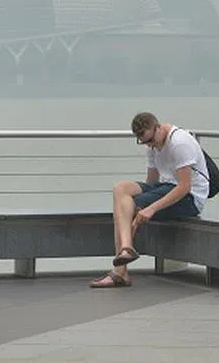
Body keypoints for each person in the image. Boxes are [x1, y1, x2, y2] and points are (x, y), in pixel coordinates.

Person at [88, 111, 210, 288]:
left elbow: (184, 187)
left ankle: (120, 271)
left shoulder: (179, 143)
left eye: (151, 140)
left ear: (158, 127)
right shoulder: (151, 146)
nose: (150, 145)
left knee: (129, 207)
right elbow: (152, 181)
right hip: (166, 187)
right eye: (144, 142)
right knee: (121, 190)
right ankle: (126, 249)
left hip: (190, 199)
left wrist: (149, 208)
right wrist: (139, 202)